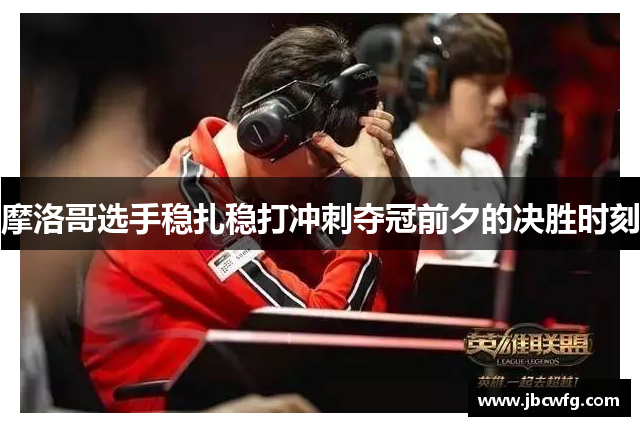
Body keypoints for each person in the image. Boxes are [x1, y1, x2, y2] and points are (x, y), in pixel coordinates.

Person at [82, 25, 418, 412]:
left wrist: (396, 193)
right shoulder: (181, 207)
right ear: (267, 132)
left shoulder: (265, 202)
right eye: (325, 158)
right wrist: (370, 204)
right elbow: (324, 340)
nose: (333, 176)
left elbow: (377, 316)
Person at [394, 14, 511, 265]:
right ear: (434, 83)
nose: (500, 99)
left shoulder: (486, 168)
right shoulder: (401, 171)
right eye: (486, 86)